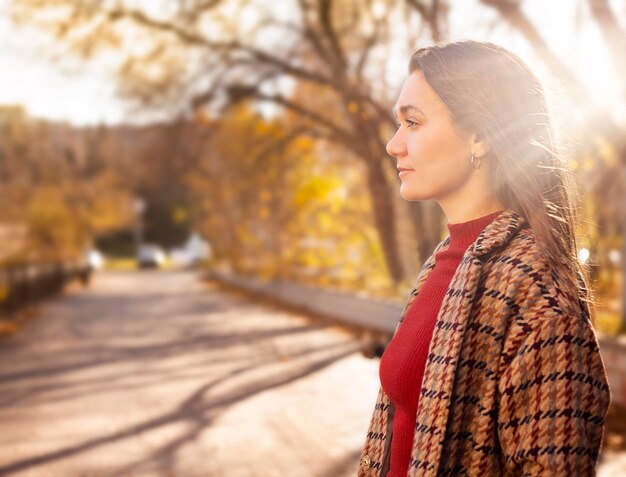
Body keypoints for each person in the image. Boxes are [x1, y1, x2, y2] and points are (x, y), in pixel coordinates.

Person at [358, 40, 611, 477]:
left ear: (479, 136)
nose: (393, 145)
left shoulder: (537, 300)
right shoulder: (447, 262)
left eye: (412, 122)